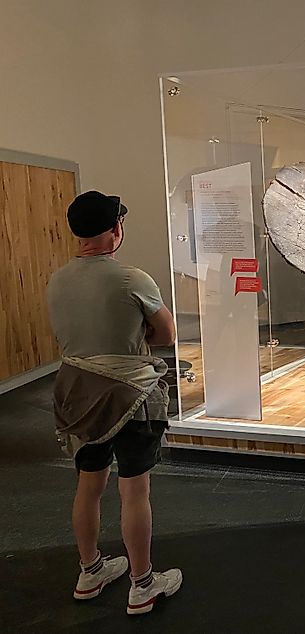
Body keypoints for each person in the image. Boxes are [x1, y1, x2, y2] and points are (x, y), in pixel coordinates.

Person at [47, 191, 182, 615]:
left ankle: (90, 571)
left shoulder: (57, 278)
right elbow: (167, 335)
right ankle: (142, 583)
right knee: (134, 489)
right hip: (130, 395)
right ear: (114, 230)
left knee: (89, 485)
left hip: (78, 394)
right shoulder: (132, 278)